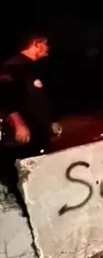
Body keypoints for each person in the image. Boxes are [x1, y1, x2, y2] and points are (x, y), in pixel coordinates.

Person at [0, 34, 62, 194]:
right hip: (21, 138)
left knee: (41, 175)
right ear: (36, 44)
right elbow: (4, 97)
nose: (48, 48)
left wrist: (52, 121)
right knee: (22, 179)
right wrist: (18, 123)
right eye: (45, 44)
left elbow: (41, 98)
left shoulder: (34, 67)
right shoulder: (14, 67)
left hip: (39, 132)